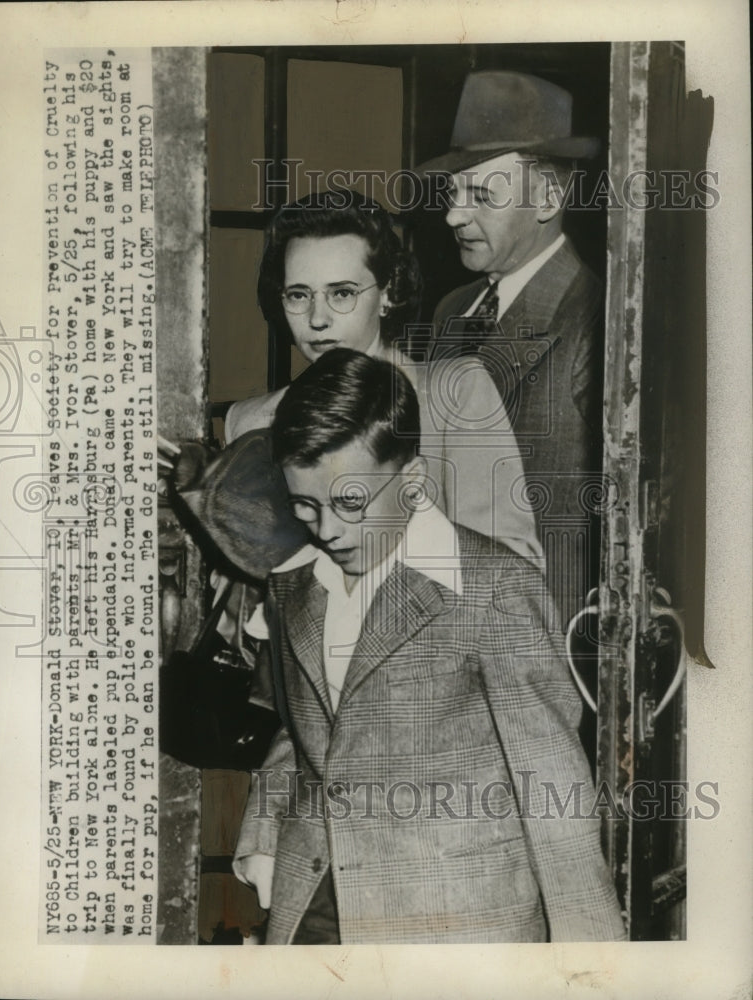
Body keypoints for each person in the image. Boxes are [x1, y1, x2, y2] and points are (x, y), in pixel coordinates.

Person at [232, 348, 625, 944]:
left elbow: (553, 791)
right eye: (305, 506)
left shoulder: (494, 588)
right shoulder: (293, 585)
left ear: (412, 483)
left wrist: (593, 963)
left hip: (459, 922)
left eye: (350, 503)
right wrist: (263, 834)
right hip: (320, 908)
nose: (328, 530)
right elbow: (308, 730)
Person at [224, 188, 541, 564]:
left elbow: (513, 564)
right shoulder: (250, 422)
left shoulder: (454, 395)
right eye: (298, 295)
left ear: (388, 293)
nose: (317, 318)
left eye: (342, 293)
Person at [419, 71, 606, 626]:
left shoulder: (595, 319)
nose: (453, 216)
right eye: (452, 193)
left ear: (548, 197)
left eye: (481, 195)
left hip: (539, 633)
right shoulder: (452, 309)